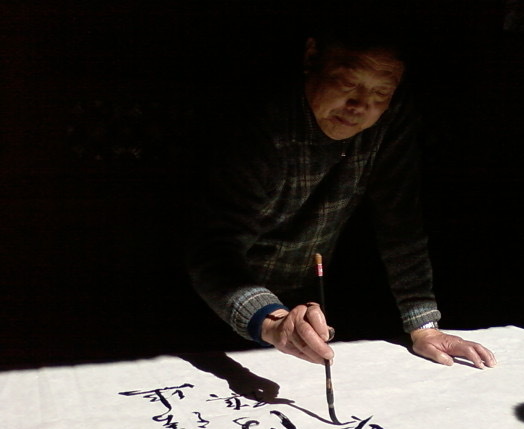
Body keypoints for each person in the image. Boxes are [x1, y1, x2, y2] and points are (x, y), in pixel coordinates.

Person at [186, 20, 496, 369]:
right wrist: (270, 320)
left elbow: (400, 223)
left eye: (381, 93)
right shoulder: (261, 120)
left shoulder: (389, 118)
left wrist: (424, 326)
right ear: (312, 57)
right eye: (347, 84)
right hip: (211, 300)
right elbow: (214, 248)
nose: (359, 106)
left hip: (302, 304)